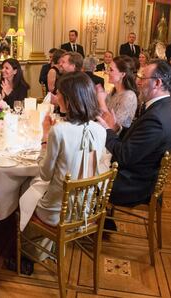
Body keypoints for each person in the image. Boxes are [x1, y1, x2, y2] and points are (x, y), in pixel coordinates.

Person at [18, 71, 106, 261]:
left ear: (68, 99)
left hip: (57, 212)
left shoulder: (59, 131)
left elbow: (45, 173)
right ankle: (48, 247)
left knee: (23, 190)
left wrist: (45, 137)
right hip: (86, 207)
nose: (56, 98)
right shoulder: (100, 130)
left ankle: (30, 252)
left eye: (59, 94)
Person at [97, 59, 171, 206]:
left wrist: (107, 130)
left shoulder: (156, 119)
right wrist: (117, 128)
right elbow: (139, 137)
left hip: (133, 184)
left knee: (82, 174)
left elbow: (124, 155)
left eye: (143, 78)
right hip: (139, 173)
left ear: (157, 83)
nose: (138, 82)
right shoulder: (165, 109)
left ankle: (96, 223)